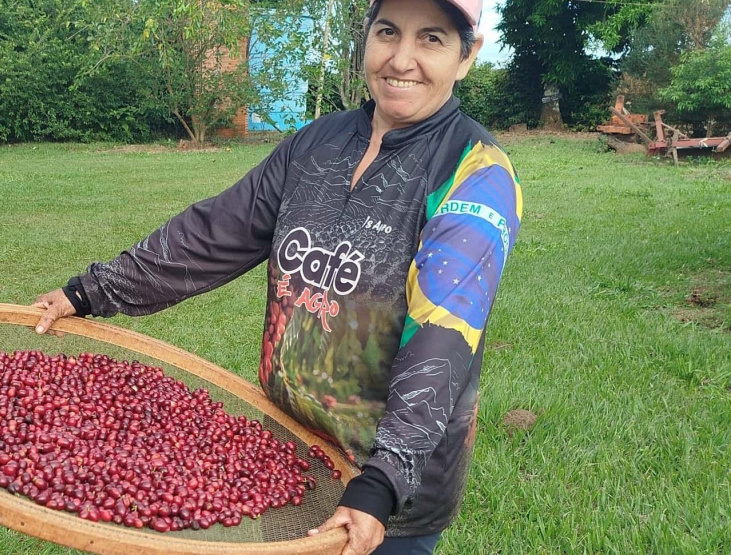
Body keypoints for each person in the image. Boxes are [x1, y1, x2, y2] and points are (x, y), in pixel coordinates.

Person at [33, 0, 522, 553]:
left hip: (384, 492)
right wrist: (91, 291)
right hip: (287, 454)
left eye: (431, 39)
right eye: (388, 32)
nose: (401, 58)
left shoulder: (476, 173)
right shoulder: (317, 143)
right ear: (366, 37)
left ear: (466, 56)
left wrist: (379, 486)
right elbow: (214, 232)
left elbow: (442, 340)